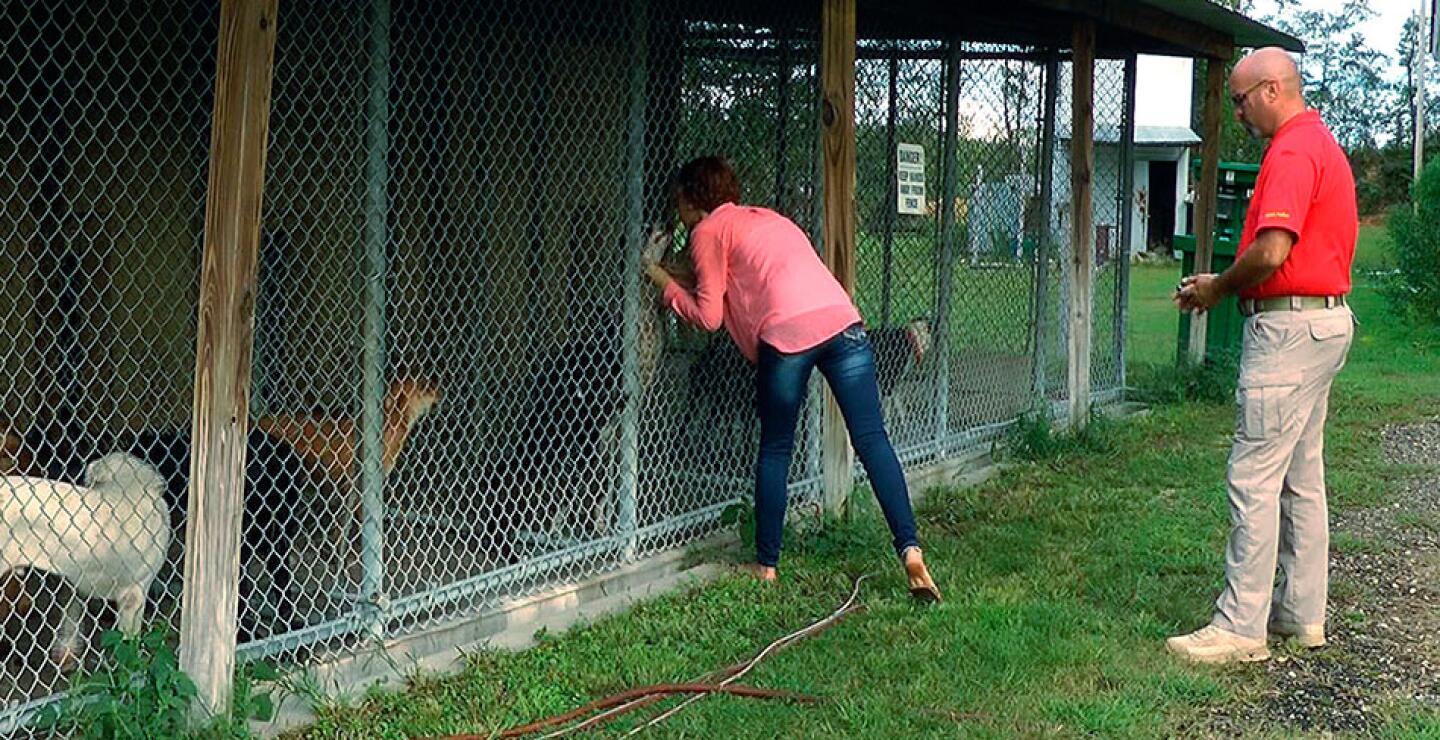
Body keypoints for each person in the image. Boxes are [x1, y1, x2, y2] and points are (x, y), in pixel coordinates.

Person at [642, 155, 941, 602]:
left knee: (777, 447)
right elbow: (732, 276)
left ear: (691, 198)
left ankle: (766, 566)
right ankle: (911, 552)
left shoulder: (706, 231)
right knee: (873, 439)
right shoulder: (768, 220)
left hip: (788, 335)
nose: (678, 210)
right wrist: (678, 272)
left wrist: (658, 278)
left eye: (679, 200)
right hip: (844, 322)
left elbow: (708, 315)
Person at [1167, 47, 1357, 663]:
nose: (1240, 111)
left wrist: (1218, 287)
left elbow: (1273, 250)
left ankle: (1239, 627)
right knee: (1302, 476)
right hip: (1324, 323)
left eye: (1244, 99)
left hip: (1288, 330)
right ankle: (1301, 615)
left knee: (1254, 476)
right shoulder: (1321, 141)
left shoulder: (1293, 150)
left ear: (1273, 89)